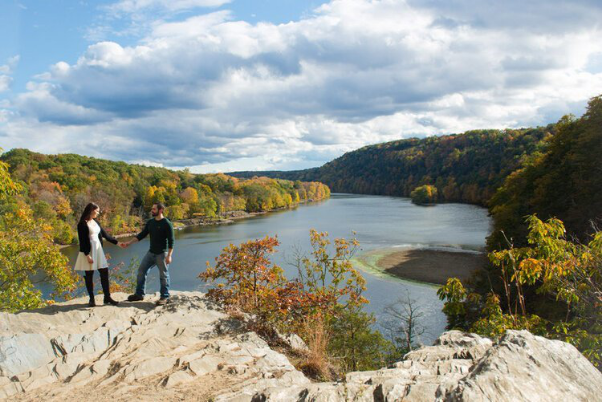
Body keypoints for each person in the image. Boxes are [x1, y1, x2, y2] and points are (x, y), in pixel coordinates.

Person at [123, 202, 175, 305]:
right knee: (141, 271)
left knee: (163, 275)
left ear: (160, 210)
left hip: (162, 254)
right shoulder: (151, 222)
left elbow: (171, 240)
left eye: (154, 209)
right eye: (152, 209)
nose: (152, 210)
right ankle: (139, 294)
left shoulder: (166, 223)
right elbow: (142, 235)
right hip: (151, 253)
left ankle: (164, 297)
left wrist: (169, 255)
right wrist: (129, 243)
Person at [74, 203, 124, 307]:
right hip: (88, 252)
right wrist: (87, 255)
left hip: (98, 250)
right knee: (89, 275)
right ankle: (92, 299)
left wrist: (118, 243)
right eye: (97, 211)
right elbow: (82, 241)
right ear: (91, 210)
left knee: (104, 272)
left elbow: (105, 235)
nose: (98, 212)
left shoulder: (96, 222)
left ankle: (107, 297)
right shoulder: (82, 224)